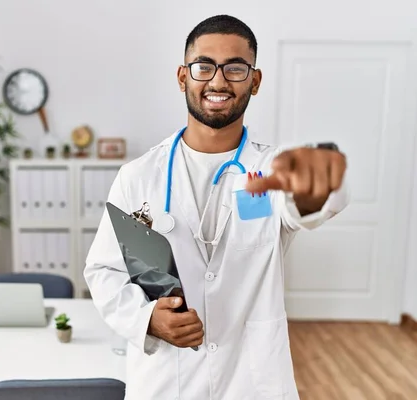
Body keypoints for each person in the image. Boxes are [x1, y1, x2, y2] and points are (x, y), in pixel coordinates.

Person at [84, 14, 349, 400]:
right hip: (166, 381)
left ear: (254, 82)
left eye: (236, 68)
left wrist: (322, 182)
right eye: (204, 66)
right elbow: (104, 270)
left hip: (253, 382)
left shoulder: (272, 170)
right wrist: (147, 321)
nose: (219, 81)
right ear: (182, 77)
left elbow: (307, 203)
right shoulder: (137, 176)